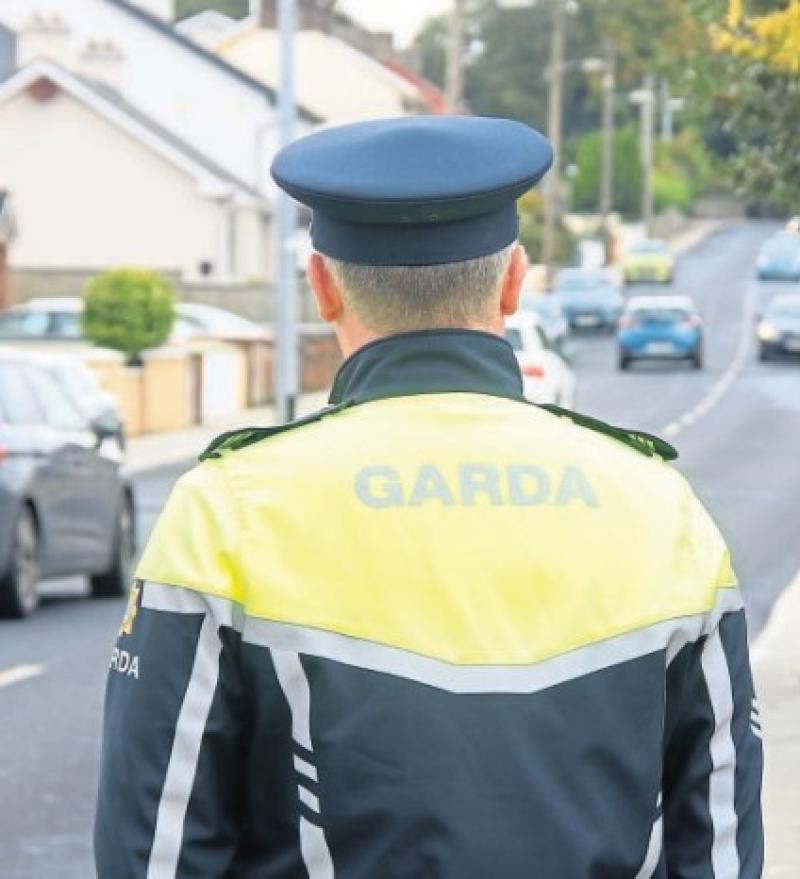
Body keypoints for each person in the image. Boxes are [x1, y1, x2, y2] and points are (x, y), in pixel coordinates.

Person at [95, 116, 763, 878]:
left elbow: (156, 850)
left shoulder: (225, 511)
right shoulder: (661, 507)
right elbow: (715, 843)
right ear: (514, 281)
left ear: (321, 288)